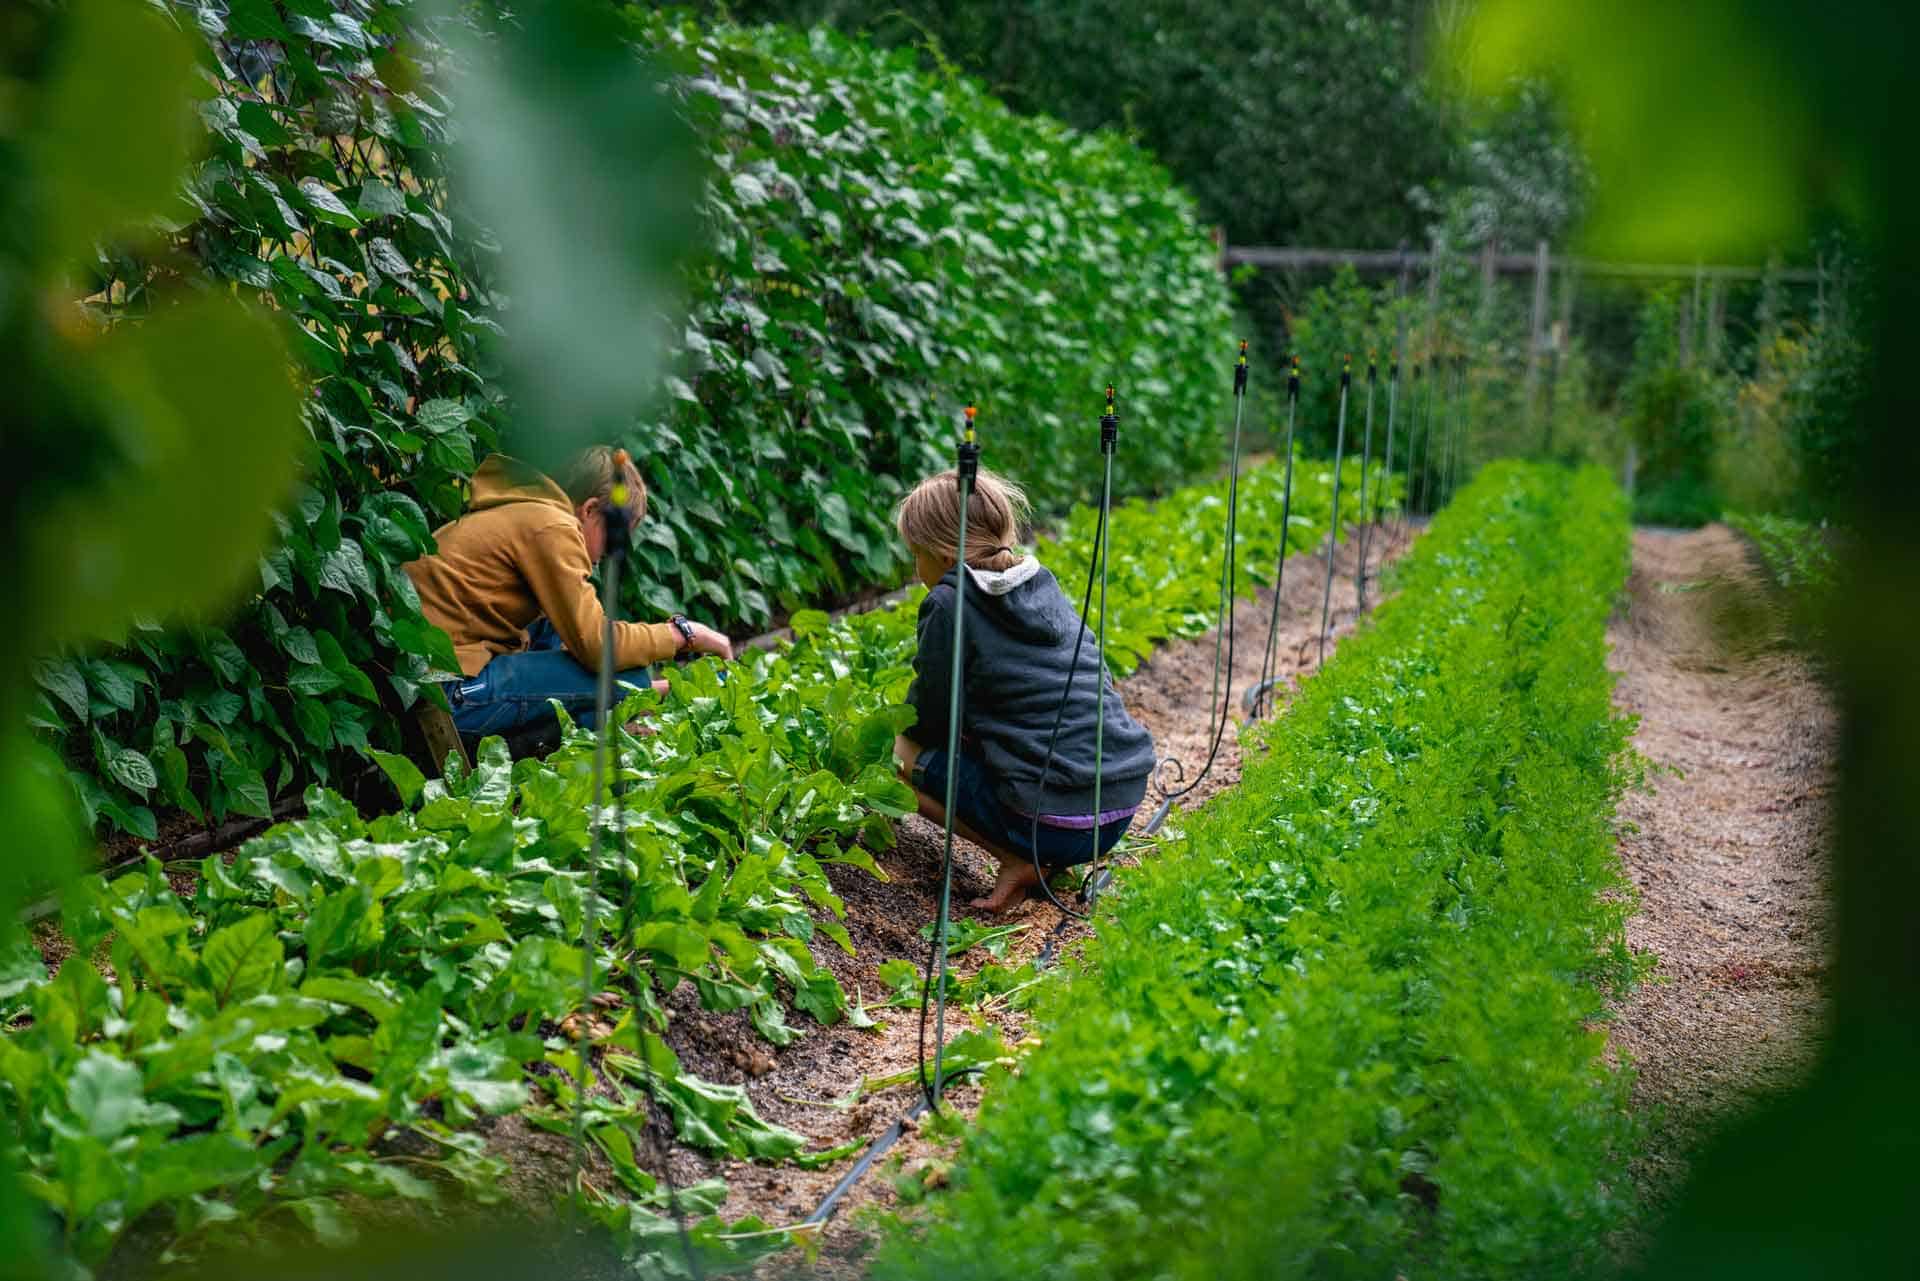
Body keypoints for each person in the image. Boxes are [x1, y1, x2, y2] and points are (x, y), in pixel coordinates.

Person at [892, 467, 1156, 913]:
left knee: (896, 753)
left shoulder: (948, 602)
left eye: (915, 554)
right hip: (1120, 803)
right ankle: (1043, 853)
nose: (916, 567)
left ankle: (1017, 860)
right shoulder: (1038, 582)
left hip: (1057, 824)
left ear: (941, 554)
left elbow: (930, 717)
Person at [404, 447, 732, 738]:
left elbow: (582, 642)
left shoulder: (528, 514)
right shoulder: (552, 526)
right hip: (443, 697)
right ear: (589, 510)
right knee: (622, 671)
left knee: (558, 634)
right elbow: (598, 647)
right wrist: (684, 634)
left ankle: (605, 734)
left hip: (435, 683)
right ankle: (628, 721)